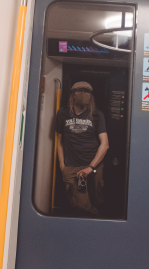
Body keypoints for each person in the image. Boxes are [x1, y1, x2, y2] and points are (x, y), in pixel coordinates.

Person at [55, 81, 109, 218]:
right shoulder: (62, 113)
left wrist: (91, 167)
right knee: (81, 205)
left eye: (87, 92)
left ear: (91, 96)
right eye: (80, 91)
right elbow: (59, 141)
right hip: (72, 167)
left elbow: (105, 144)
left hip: (93, 165)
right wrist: (62, 165)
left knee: (95, 200)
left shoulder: (96, 115)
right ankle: (98, 227)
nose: (83, 95)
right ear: (72, 95)